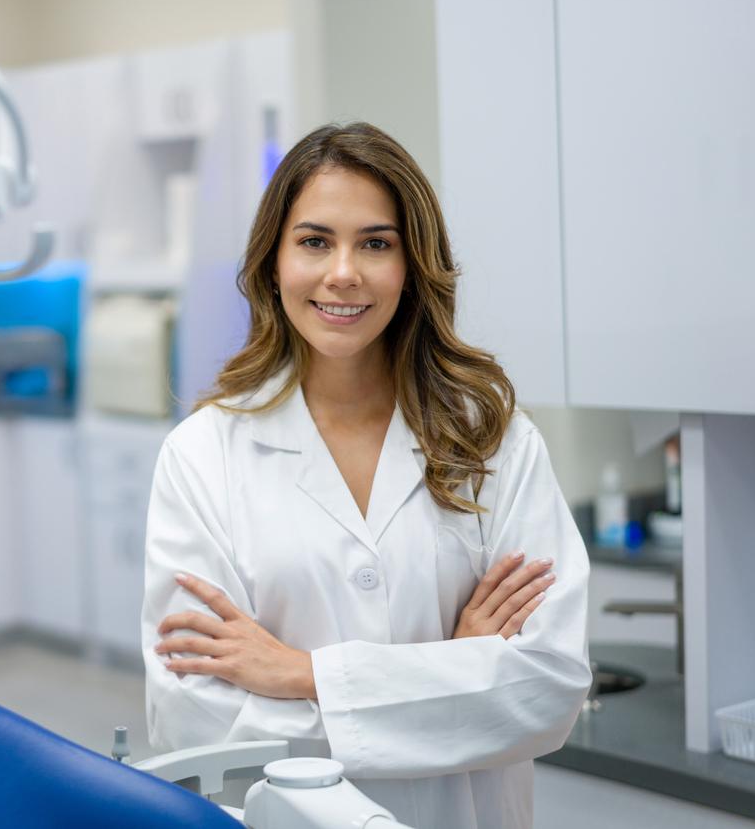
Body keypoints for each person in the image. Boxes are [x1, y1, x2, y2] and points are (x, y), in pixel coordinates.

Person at [141, 122, 591, 829]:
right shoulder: (204, 454)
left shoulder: (494, 439)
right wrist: (456, 673)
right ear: (273, 262)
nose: (343, 272)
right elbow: (196, 723)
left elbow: (550, 688)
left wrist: (301, 674)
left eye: (376, 243)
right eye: (315, 241)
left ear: (412, 265)